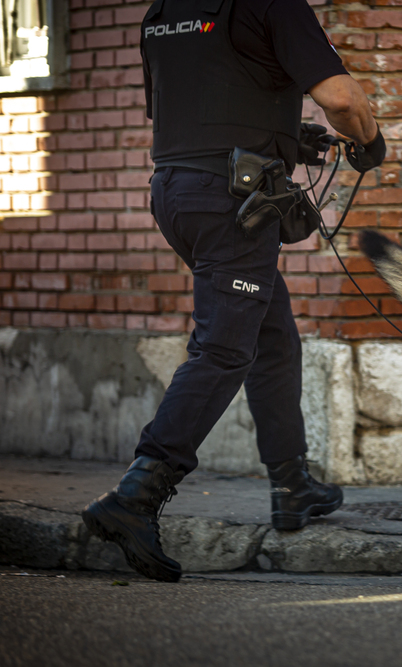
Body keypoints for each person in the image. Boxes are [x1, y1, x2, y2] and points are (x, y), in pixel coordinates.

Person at [82, 0, 385, 583]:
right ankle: (136, 495)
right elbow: (343, 100)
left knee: (271, 335)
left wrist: (283, 137)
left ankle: (292, 485)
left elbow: (197, 110)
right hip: (232, 202)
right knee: (224, 347)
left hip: (175, 190)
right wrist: (368, 142)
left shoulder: (163, 10)